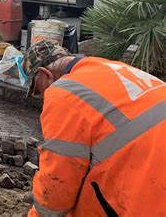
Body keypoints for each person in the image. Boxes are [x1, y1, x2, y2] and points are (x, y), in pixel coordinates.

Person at [23, 40, 165, 216]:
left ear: (45, 73)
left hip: (153, 192)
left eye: (38, 89)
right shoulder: (108, 67)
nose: (42, 96)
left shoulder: (63, 92)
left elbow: (59, 181)